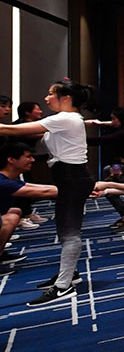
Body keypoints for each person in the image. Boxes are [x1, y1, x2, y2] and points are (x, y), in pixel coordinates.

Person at [0, 81, 97, 307]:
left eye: (51, 93)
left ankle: (64, 286)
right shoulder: (66, 119)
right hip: (70, 177)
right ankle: (70, 274)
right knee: (65, 230)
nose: (46, 98)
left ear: (66, 98)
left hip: (72, 178)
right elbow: (24, 131)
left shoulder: (66, 118)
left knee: (70, 232)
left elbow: (10, 130)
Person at [0, 141, 56, 275]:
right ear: (11, 160)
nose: (32, 160)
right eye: (28, 157)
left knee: (15, 212)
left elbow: (40, 188)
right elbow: (43, 192)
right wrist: (82, 190)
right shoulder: (3, 181)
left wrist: (78, 188)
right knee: (9, 219)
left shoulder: (10, 178)